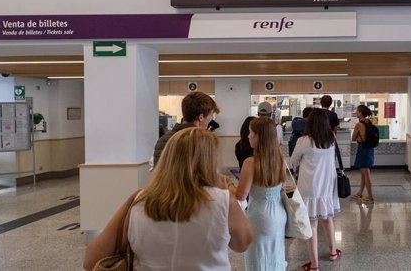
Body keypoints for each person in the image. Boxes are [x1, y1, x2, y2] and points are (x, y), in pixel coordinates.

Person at [83, 127, 253, 270]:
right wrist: (223, 192)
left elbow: (91, 260)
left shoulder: (139, 200)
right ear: (209, 163)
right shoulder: (223, 201)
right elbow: (242, 244)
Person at [230, 117, 288, 271]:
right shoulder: (279, 158)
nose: (248, 136)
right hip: (279, 213)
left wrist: (228, 184)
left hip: (260, 216)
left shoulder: (251, 162)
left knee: (258, 259)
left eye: (251, 133)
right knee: (276, 256)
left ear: (259, 137)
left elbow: (241, 195)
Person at [291, 108, 341, 271]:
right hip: (327, 187)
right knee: (328, 219)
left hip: (309, 188)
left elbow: (293, 161)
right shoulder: (331, 138)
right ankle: (333, 252)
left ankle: (314, 265)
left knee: (311, 224)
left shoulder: (304, 141)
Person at [152, 91, 219, 168]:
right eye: (211, 116)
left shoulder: (162, 140)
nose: (211, 120)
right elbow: (203, 175)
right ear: (201, 117)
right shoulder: (201, 142)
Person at [352, 104, 375, 204]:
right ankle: (360, 193)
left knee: (366, 173)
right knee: (363, 173)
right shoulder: (369, 122)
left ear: (361, 113)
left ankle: (370, 197)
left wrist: (358, 137)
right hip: (369, 148)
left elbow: (353, 138)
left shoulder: (358, 125)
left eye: (357, 111)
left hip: (363, 149)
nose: (356, 112)